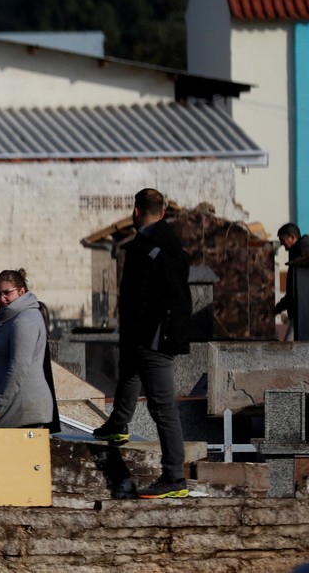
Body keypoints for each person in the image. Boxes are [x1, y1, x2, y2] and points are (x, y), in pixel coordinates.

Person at [93, 188, 191, 499]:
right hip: (152, 335)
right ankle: (118, 424)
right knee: (130, 371)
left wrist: (143, 333)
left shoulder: (149, 246)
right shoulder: (170, 244)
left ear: (136, 212)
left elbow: (145, 298)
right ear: (162, 212)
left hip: (153, 338)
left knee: (163, 408)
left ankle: (174, 477)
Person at [0, 269, 55, 429]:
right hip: (9, 410)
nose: (2, 298)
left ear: (21, 291)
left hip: (22, 412)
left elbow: (18, 367)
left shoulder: (25, 320)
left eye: (7, 293)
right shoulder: (8, 320)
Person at [274, 223, 309, 339]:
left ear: (292, 237)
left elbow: (294, 290)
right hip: (300, 312)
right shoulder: (297, 254)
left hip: (302, 313)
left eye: (283, 241)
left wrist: (279, 308)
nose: (282, 245)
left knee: (289, 347)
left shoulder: (302, 256)